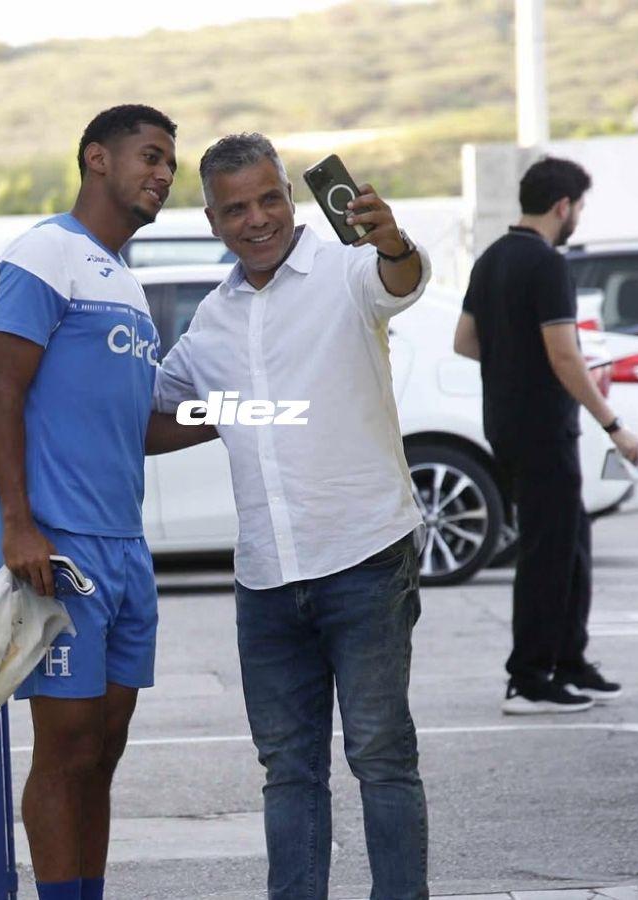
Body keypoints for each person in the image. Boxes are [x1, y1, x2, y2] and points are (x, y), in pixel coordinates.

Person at [147, 133, 430, 900]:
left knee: (380, 756)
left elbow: (402, 281)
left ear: (291, 197)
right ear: (212, 220)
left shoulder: (347, 270)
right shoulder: (210, 321)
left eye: (269, 198)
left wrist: (393, 239)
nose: (257, 219)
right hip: (268, 579)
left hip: (366, 557)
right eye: (235, 208)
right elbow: (153, 415)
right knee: (289, 772)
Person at [0, 104, 177, 900]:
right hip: (59, 549)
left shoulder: (125, 279)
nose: (163, 175)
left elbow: (140, 427)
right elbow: (0, 391)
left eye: (171, 163)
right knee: (64, 751)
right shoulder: (44, 252)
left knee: (104, 747)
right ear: (97, 158)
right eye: (151, 157)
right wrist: (20, 525)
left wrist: (247, 411)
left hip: (126, 550)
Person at [452, 156, 638, 715]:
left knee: (570, 543)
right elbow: (564, 354)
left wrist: (514, 357)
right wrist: (615, 425)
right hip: (542, 429)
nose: (577, 216)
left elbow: (465, 341)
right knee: (547, 553)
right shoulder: (545, 263)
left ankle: (570, 661)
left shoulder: (491, 259)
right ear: (563, 206)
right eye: (579, 207)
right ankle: (531, 678)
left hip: (509, 424)